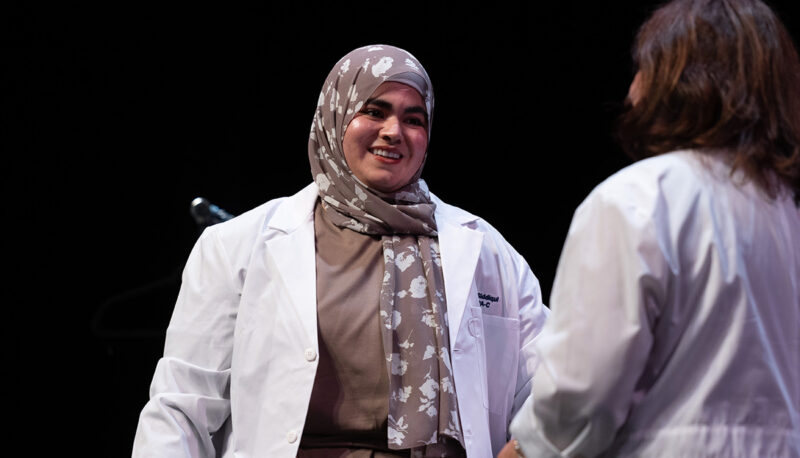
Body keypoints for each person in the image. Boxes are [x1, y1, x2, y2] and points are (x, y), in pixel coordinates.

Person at [132, 44, 549, 457]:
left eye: (413, 118)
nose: (393, 131)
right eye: (374, 111)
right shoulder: (238, 245)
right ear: (335, 116)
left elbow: (552, 387)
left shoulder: (487, 252)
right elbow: (182, 405)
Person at [500, 0, 800, 456]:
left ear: (677, 81)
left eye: (643, 67)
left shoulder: (638, 199)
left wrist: (525, 449)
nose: (632, 85)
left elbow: (583, 392)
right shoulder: (783, 211)